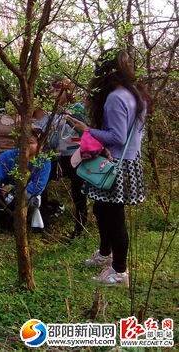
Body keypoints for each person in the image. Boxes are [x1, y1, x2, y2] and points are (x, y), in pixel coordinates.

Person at [68, 50, 150, 287]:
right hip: (128, 162)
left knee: (114, 217)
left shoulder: (116, 97)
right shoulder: (136, 94)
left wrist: (86, 130)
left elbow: (117, 136)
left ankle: (120, 272)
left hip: (115, 165)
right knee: (103, 211)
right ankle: (106, 254)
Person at [35, 77, 88, 238]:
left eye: (58, 90)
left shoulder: (77, 109)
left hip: (75, 155)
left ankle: (79, 229)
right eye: (53, 90)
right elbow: (43, 128)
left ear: (68, 92)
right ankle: (43, 222)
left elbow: (86, 129)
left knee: (78, 192)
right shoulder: (51, 112)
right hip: (55, 156)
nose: (54, 94)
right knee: (41, 183)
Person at [0, 130, 51, 229]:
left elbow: (38, 187)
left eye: (31, 142)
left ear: (40, 144)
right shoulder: (8, 156)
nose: (26, 146)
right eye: (23, 142)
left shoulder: (44, 161)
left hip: (28, 199)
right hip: (4, 198)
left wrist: (12, 190)